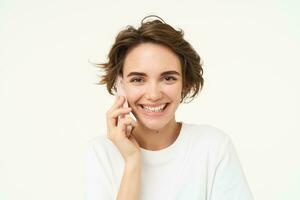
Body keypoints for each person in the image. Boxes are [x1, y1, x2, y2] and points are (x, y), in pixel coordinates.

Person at [85, 15, 254, 200]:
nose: (154, 94)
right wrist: (133, 161)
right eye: (138, 79)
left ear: (185, 83)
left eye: (168, 78)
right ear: (120, 85)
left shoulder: (214, 147)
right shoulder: (102, 152)